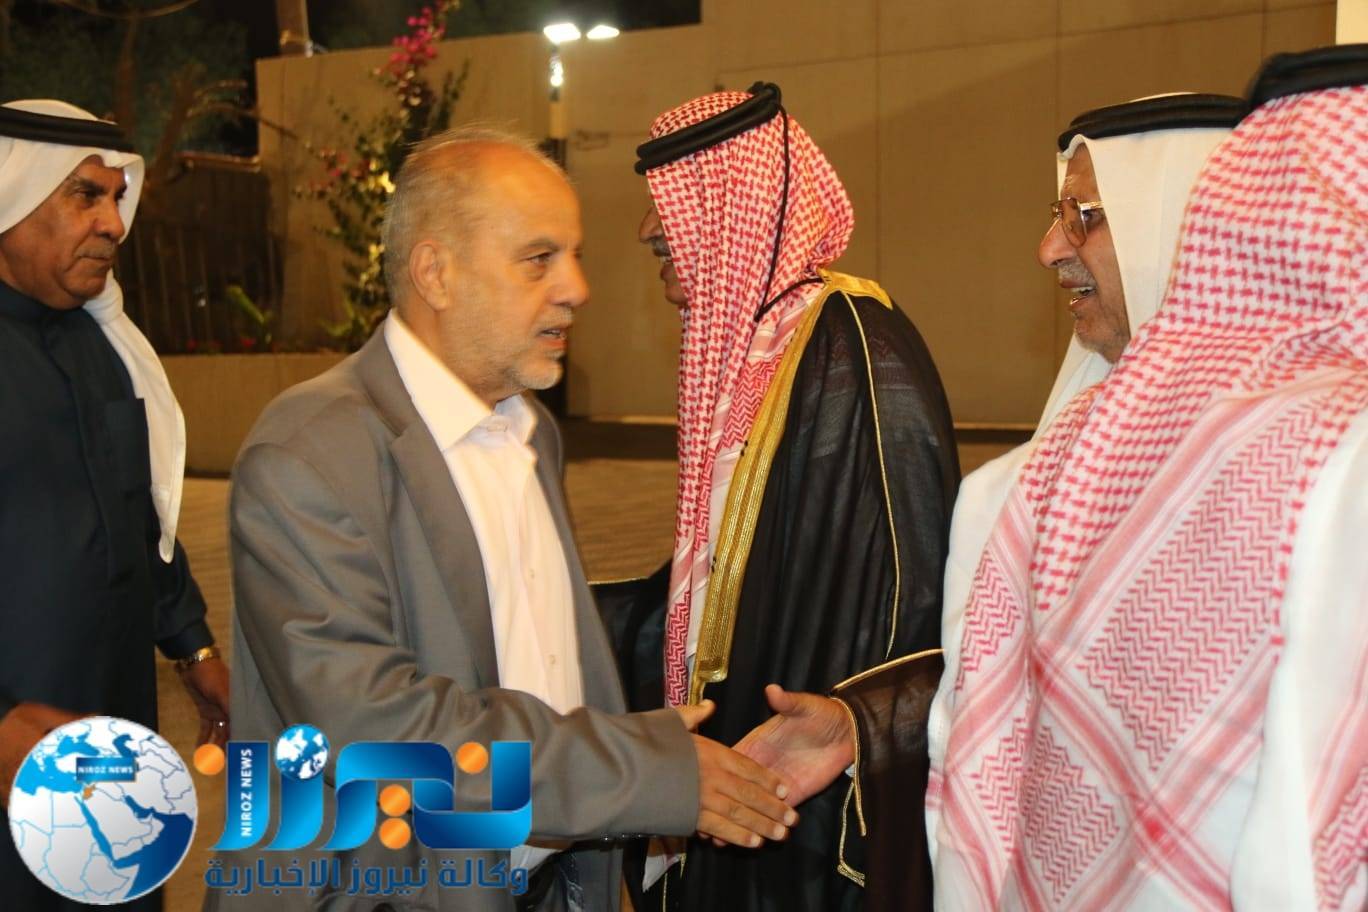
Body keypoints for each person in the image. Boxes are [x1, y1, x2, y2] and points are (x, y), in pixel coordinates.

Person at [745, 45, 1368, 910]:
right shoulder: (1041, 473)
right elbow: (1012, 702)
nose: (1048, 250)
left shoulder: (1331, 474)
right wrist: (863, 724)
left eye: (1087, 217)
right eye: (1057, 214)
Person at [208, 127, 796, 912]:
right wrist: (643, 772)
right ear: (436, 273)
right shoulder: (308, 455)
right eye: (538, 259)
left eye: (574, 256)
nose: (577, 288)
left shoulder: (529, 432)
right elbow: (376, 729)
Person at [627, 83, 960, 911]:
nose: (648, 232)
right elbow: (715, 578)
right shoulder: (755, 351)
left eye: (671, 201)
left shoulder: (856, 343)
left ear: (730, 204)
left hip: (815, 786)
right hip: (746, 750)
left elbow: (916, 585)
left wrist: (860, 721)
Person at [0, 99, 228, 911]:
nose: (112, 224)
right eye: (84, 196)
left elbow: (141, 515)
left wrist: (194, 649)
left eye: (116, 198)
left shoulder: (104, 346)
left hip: (118, 726)